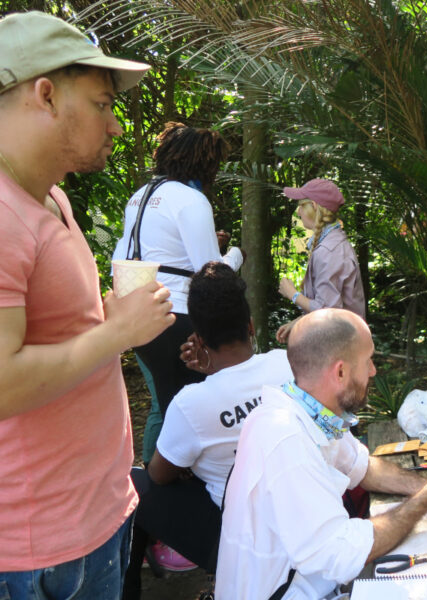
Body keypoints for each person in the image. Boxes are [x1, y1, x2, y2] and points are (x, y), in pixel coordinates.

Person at [0, 11, 174, 597]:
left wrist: (106, 318)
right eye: (102, 103)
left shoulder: (50, 196)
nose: (118, 125)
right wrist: (116, 333)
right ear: (45, 95)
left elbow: (54, 335)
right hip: (34, 550)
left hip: (94, 516)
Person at [216, 308, 427, 599]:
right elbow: (340, 554)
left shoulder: (310, 411)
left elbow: (363, 466)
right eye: (368, 360)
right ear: (341, 371)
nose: (373, 371)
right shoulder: (286, 438)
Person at [123, 262, 293, 598]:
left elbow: (159, 475)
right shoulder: (289, 364)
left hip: (238, 543)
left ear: (198, 338)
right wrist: (212, 373)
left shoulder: (192, 403)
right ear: (251, 325)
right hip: (297, 513)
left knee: (131, 484)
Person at [112, 121, 244, 420]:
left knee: (169, 404)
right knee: (192, 409)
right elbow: (211, 273)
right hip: (178, 316)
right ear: (204, 163)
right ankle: (177, 466)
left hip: (141, 314)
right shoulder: (191, 199)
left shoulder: (141, 195)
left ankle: (163, 463)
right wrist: (236, 255)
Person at [276, 178, 366, 343]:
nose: (298, 212)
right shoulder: (331, 242)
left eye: (301, 205)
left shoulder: (328, 252)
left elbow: (328, 312)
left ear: (314, 206)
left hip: (342, 346)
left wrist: (293, 294)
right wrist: (298, 322)